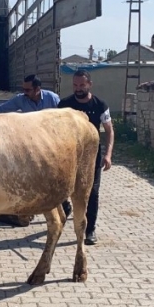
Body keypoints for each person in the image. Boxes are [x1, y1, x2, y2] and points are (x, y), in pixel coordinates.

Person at [0, 75, 67, 227]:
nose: (24, 92)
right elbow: (1, 109)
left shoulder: (52, 99)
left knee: (56, 176)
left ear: (38, 89)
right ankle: (23, 211)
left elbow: (63, 118)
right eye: (23, 89)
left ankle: (62, 205)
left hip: (52, 144)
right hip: (32, 146)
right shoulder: (21, 99)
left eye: (28, 89)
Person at [57, 69, 114, 245]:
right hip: (69, 156)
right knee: (62, 189)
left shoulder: (100, 105)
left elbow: (109, 131)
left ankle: (90, 230)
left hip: (91, 156)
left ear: (89, 84)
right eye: (75, 85)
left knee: (92, 192)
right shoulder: (64, 105)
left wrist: (108, 154)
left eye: (82, 85)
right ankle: (65, 209)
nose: (78, 88)